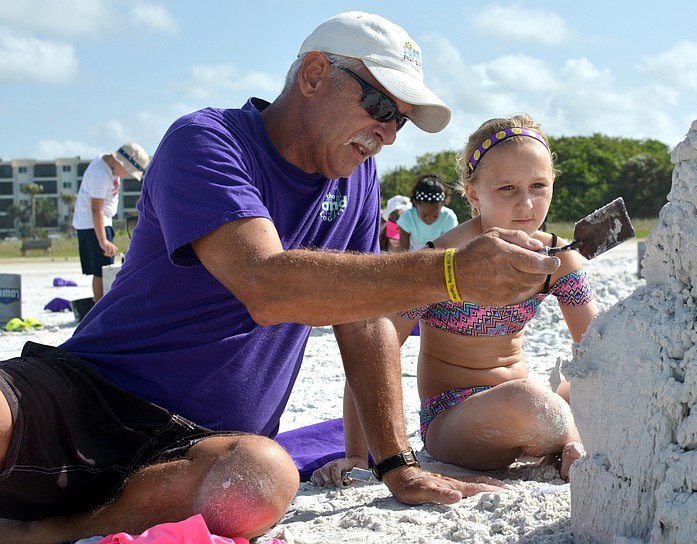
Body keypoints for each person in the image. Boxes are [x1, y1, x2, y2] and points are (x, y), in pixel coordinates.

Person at [0, 12, 563, 543]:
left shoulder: (358, 180)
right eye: (379, 106)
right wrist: (450, 272)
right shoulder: (209, 141)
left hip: (207, 446)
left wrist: (396, 463)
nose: (387, 133)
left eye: (399, 121)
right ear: (315, 74)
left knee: (262, 479)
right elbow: (266, 283)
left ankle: (43, 533)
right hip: (93, 391)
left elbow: (362, 319)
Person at [312, 114, 597, 488]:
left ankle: (565, 436)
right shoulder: (441, 260)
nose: (526, 204)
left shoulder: (558, 258)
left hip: (520, 402)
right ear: (474, 193)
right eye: (508, 188)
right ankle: (569, 437)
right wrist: (355, 453)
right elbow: (370, 349)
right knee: (533, 401)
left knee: (593, 380)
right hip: (453, 417)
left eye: (539, 186)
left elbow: (597, 347)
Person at [72, 142, 150, 301]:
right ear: (120, 162)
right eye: (128, 171)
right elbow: (96, 209)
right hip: (92, 224)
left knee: (103, 268)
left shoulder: (109, 165)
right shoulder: (100, 174)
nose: (127, 175)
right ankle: (99, 307)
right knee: (102, 269)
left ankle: (101, 303)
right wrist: (103, 240)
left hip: (102, 221)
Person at [397, 173, 458, 250]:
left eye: (435, 215)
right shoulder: (407, 218)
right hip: (412, 260)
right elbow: (403, 252)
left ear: (443, 203)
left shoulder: (448, 218)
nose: (430, 220)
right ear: (415, 203)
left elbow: (449, 249)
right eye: (424, 215)